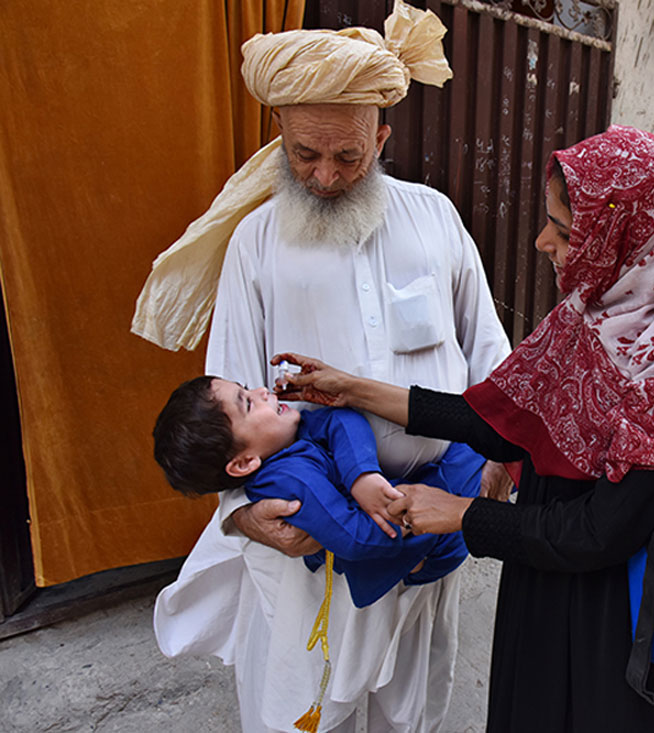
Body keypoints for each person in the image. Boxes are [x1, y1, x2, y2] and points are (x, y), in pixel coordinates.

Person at [273, 125, 654, 732]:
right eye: (548, 219)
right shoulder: (587, 317)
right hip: (544, 588)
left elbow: (599, 532)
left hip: (619, 625)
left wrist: (458, 513)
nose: (542, 240)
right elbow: (498, 422)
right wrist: (354, 389)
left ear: (636, 240)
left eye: (568, 232)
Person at [142, 3, 513, 731]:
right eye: (306, 152)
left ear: (381, 136)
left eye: (348, 155)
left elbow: (488, 352)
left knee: (411, 705)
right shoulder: (256, 241)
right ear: (280, 132)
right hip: (315, 543)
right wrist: (242, 514)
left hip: (434, 514)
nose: (324, 173)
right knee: (306, 706)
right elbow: (226, 401)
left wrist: (502, 457)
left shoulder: (435, 216)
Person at [153, 376, 483, 607]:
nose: (261, 391)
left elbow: (340, 419)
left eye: (245, 387)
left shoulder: (285, 438)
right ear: (243, 464)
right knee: (477, 450)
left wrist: (361, 476)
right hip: (425, 546)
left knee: (476, 446)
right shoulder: (290, 481)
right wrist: (424, 519)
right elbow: (354, 536)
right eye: (248, 403)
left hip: (415, 521)